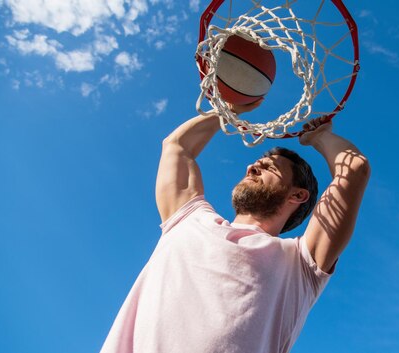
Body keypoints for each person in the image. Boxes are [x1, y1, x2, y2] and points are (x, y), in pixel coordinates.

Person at [101, 101, 370, 353]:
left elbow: (354, 169)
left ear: (297, 195)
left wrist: (319, 137)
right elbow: (177, 146)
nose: (252, 166)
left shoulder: (300, 264)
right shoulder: (188, 218)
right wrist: (228, 110)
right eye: (256, 164)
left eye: (268, 168)